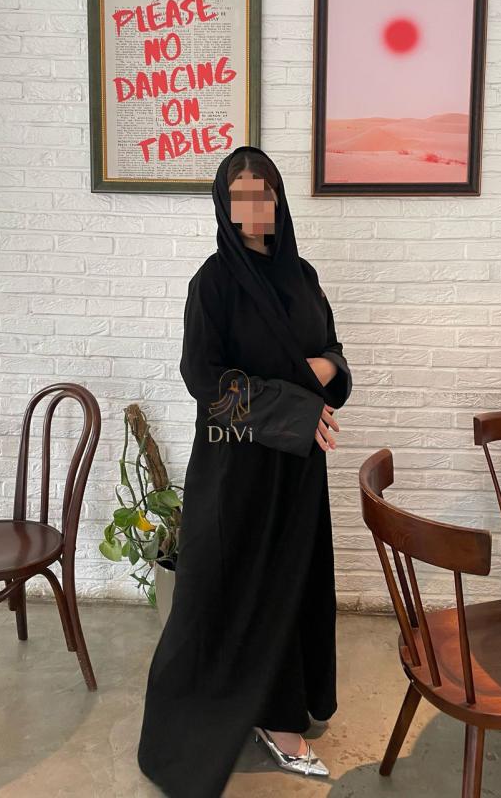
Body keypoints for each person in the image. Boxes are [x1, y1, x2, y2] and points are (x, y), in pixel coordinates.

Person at [137, 144, 352, 797]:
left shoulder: (302, 275)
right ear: (224, 205)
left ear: (278, 199)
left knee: (290, 585)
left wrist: (325, 369)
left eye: (265, 193)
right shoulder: (214, 283)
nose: (255, 208)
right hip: (236, 470)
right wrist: (296, 398)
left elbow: (332, 350)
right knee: (221, 591)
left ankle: (281, 716)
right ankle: (209, 719)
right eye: (241, 196)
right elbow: (204, 380)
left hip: (298, 473)